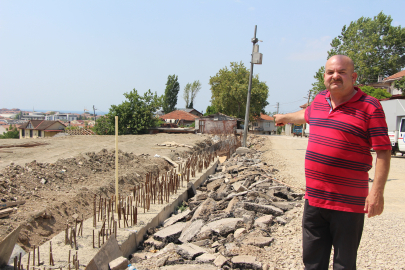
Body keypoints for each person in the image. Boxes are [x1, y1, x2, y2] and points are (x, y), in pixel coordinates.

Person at [274, 55, 391, 270]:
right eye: (330, 72)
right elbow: (306, 115)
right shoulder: (319, 99)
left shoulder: (370, 107)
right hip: (315, 199)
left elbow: (383, 152)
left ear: (353, 76)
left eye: (341, 72)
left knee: (344, 264)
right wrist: (285, 117)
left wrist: (376, 193)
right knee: (312, 262)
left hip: (348, 203)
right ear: (324, 76)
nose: (335, 76)